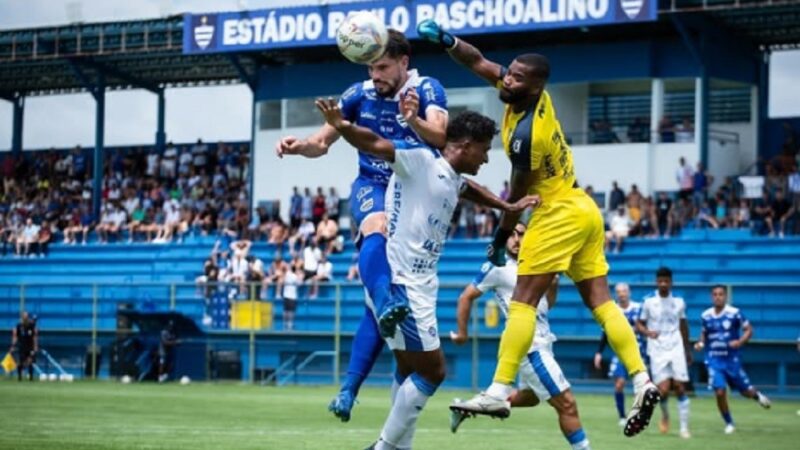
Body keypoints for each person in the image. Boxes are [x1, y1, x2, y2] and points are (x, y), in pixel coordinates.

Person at [417, 19, 659, 437]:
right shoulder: (519, 92)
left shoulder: (526, 136)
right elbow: (476, 61)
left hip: (555, 212)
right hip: (583, 206)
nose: (506, 78)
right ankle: (642, 379)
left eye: (516, 77)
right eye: (508, 71)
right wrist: (447, 41)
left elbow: (516, 199)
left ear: (535, 86)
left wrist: (497, 241)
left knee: (524, 301)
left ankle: (497, 388)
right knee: (601, 302)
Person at [315, 99, 538, 450]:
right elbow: (377, 144)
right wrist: (341, 126)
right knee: (433, 372)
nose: (486, 158)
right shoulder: (419, 160)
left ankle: (399, 447)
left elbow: (468, 189)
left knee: (408, 369)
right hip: (403, 285)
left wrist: (507, 206)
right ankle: (384, 448)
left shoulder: (450, 176)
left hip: (418, 284)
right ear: (464, 146)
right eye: (483, 150)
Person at [276, 29, 449, 421]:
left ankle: (361, 390)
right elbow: (322, 142)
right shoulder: (358, 95)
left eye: (383, 66)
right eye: (371, 66)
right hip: (373, 185)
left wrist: (412, 119)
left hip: (415, 193)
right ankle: (386, 302)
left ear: (404, 62)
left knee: (383, 315)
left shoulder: (427, 89)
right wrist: (299, 145)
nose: (375, 75)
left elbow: (440, 135)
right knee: (376, 226)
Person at [450, 222, 591, 450]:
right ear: (504, 239)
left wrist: (553, 285)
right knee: (567, 404)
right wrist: (462, 334)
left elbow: (546, 306)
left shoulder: (535, 264)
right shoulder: (498, 266)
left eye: (522, 234)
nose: (516, 239)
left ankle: (469, 406)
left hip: (544, 341)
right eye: (511, 235)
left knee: (531, 397)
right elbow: (465, 297)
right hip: (530, 347)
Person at [694, 285, 771, 434]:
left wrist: (740, 342)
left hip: (731, 360)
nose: (718, 297)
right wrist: (700, 343)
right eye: (715, 294)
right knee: (720, 391)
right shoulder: (706, 315)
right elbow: (704, 333)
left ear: (726, 296)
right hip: (714, 360)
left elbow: (749, 330)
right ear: (711, 297)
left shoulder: (734, 313)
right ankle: (729, 423)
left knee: (745, 392)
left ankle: (757, 396)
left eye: (721, 294)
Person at [636, 267, 692, 438]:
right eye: (660, 281)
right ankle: (666, 415)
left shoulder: (679, 302)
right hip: (657, 348)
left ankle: (684, 428)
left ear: (671, 282)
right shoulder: (648, 301)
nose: (663, 284)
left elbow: (683, 325)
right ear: (656, 282)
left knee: (680, 387)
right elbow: (638, 324)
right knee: (664, 390)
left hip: (676, 346)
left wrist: (687, 349)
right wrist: (647, 332)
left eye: (666, 281)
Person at [594, 283, 646, 427]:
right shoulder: (613, 311)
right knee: (619, 384)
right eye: (619, 291)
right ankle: (622, 416)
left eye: (624, 291)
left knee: (640, 386)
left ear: (629, 292)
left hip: (639, 352)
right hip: (619, 353)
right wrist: (599, 352)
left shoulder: (639, 308)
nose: (622, 294)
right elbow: (605, 333)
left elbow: (647, 327)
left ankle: (637, 416)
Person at [10, 312, 38, 382]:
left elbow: (34, 336)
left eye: (26, 316)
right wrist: (12, 346)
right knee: (21, 362)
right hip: (22, 347)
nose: (25, 318)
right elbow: (15, 337)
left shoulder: (31, 326)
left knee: (30, 361)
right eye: (24, 316)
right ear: (22, 317)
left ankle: (31, 378)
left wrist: (35, 346)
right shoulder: (19, 326)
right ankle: (20, 377)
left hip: (30, 346)